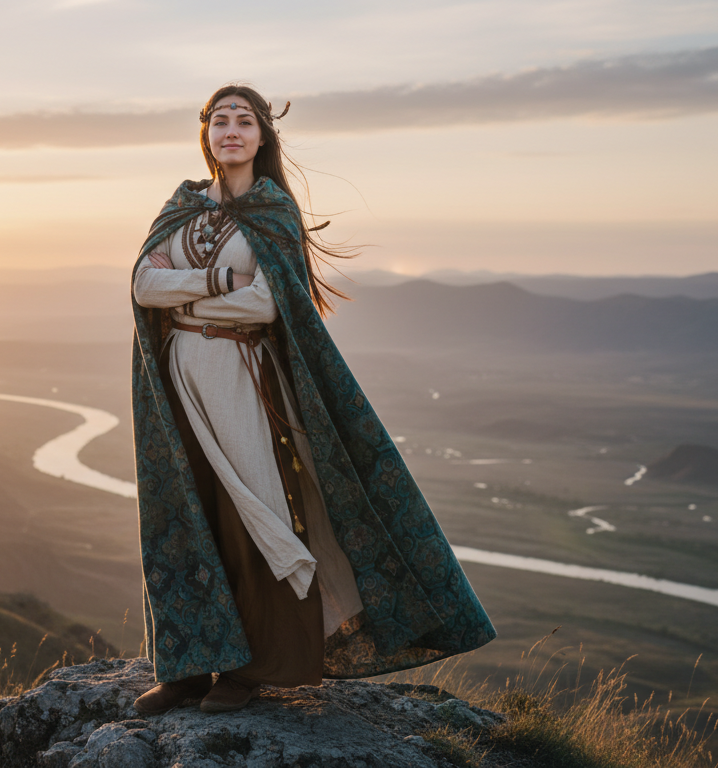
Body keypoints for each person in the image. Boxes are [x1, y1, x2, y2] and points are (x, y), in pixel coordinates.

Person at [129, 84, 495, 715]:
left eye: (245, 121)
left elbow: (268, 301)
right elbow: (142, 283)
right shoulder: (181, 206)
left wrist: (183, 294)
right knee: (188, 515)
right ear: (206, 134)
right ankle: (188, 667)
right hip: (179, 381)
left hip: (245, 376)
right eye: (220, 121)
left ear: (263, 137)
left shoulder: (275, 212)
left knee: (256, 515)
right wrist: (217, 281)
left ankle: (251, 668)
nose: (232, 131)